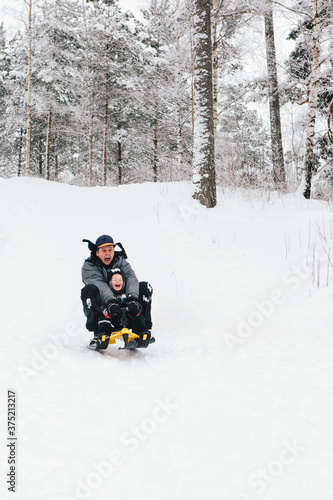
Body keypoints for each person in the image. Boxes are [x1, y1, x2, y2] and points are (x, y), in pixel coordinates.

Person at [81, 234, 153, 351]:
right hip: (105, 311)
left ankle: (141, 330)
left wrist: (133, 298)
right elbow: (99, 284)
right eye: (104, 250)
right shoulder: (89, 266)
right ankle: (99, 332)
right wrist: (110, 301)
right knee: (89, 291)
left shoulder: (121, 262)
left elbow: (131, 279)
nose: (107, 253)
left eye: (110, 250)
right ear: (97, 252)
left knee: (145, 287)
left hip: (126, 306)